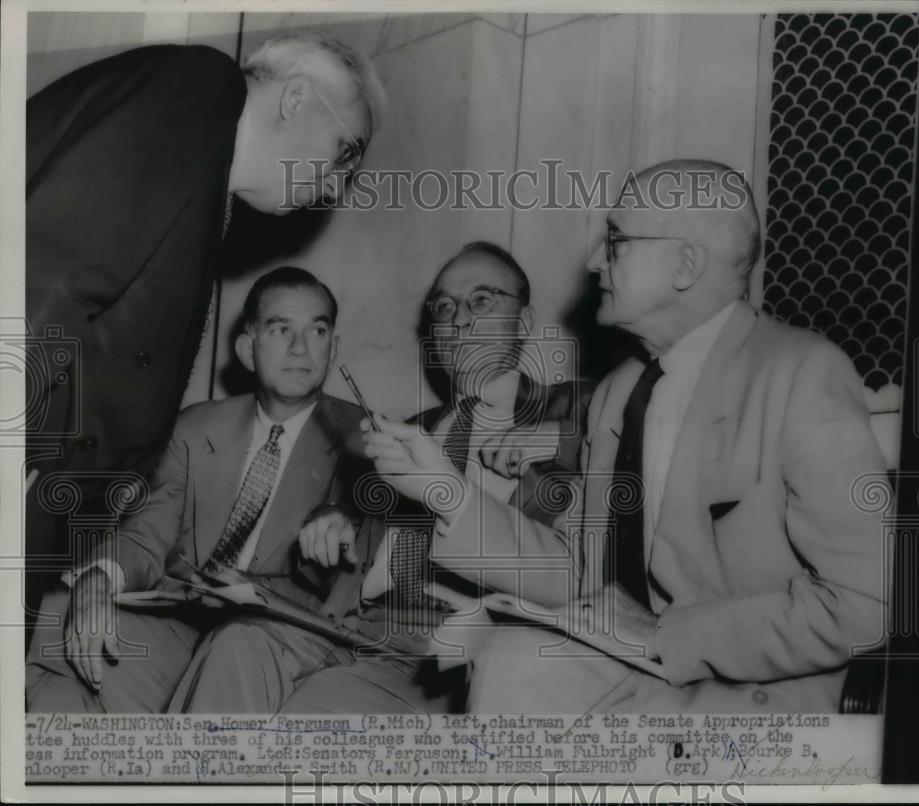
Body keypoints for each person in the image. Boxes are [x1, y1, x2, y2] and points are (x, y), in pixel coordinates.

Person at [363, 161, 889, 713]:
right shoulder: (618, 392)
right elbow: (579, 572)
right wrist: (443, 490)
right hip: (635, 666)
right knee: (509, 658)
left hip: (757, 689)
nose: (593, 262)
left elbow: (869, 600)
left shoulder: (800, 373)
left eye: (615, 242)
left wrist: (668, 636)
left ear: (685, 264)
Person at [24, 33, 383, 618]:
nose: (339, 184)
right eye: (346, 152)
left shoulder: (204, 170)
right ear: (296, 99)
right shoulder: (201, 86)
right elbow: (47, 272)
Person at [169, 242, 593, 714]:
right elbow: (337, 561)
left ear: (526, 322)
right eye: (444, 307)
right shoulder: (408, 431)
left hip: (458, 650)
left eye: (481, 301)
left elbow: (641, 431)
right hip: (357, 627)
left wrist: (556, 436)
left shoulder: (578, 409)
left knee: (315, 712)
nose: (458, 320)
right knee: (236, 646)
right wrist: (333, 525)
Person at [26, 267, 367, 713]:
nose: (300, 348)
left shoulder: (365, 438)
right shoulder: (195, 426)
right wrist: (98, 579)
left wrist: (338, 522)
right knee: (52, 626)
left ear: (333, 347)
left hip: (283, 635)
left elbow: (363, 541)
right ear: (248, 349)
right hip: (186, 619)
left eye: (316, 330)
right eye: (281, 328)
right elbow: (148, 531)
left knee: (233, 646)